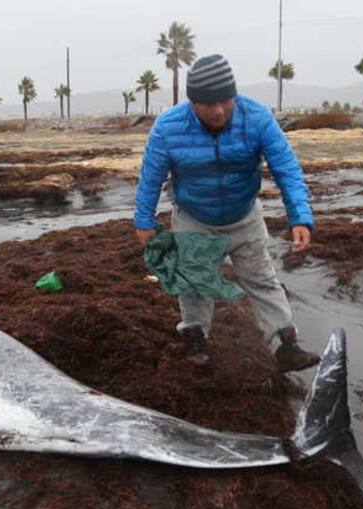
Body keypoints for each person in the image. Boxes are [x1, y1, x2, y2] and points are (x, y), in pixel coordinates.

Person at [134, 54, 320, 373]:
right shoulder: (168, 127)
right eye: (208, 104)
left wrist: (299, 216)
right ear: (192, 101)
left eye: (225, 100)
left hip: (244, 216)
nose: (219, 110)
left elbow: (286, 168)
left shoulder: (257, 118)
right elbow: (151, 176)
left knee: (262, 280)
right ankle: (196, 336)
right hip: (194, 217)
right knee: (194, 282)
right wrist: (144, 220)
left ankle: (285, 344)